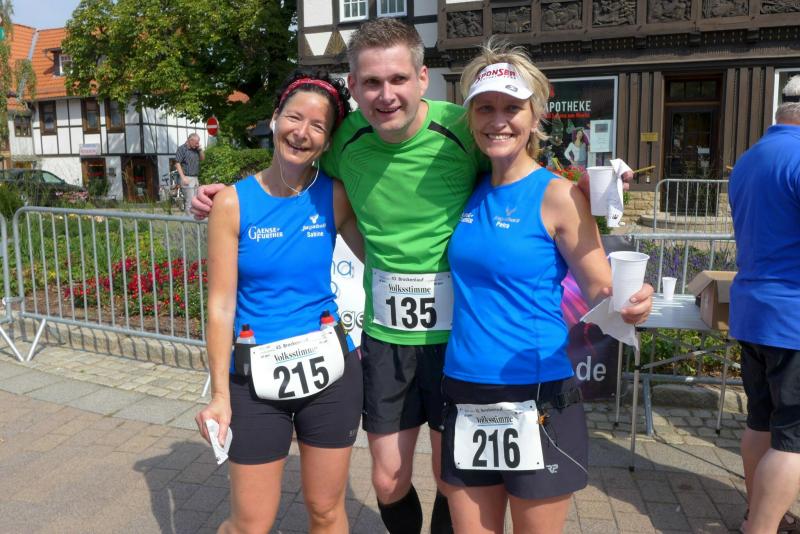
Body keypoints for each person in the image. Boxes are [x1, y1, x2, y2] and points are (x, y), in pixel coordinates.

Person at [190, 19, 647, 534]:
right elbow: (296, 155)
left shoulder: (465, 126)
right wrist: (225, 197)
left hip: (459, 340)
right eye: (371, 82)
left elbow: (518, 163)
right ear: (354, 86)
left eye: (398, 79)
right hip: (388, 338)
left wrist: (586, 185)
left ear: (422, 78)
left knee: (453, 480)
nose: (386, 95)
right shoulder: (344, 138)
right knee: (388, 480)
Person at [438, 41, 652, 533]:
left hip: (536, 391)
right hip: (465, 386)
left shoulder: (558, 195)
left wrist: (631, 303)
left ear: (535, 117)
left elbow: (599, 286)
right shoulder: (470, 188)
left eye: (512, 108)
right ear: (471, 118)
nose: (498, 121)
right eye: (485, 108)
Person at [195, 71, 364, 534]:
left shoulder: (336, 196)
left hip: (330, 372)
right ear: (274, 119)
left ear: (327, 142)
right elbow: (220, 307)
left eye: (317, 126)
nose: (301, 132)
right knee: (250, 524)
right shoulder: (232, 203)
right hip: (254, 377)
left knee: (326, 512)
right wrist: (219, 396)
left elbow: (385, 252)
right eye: (294, 117)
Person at [730, 75, 800, 534]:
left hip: (753, 311)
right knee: (793, 439)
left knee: (760, 422)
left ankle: (755, 516)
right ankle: (763, 527)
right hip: (793, 315)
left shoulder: (749, 159)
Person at [175, 133, 204, 215]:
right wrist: (183, 177)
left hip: (195, 178)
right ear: (190, 140)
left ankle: (194, 220)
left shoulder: (196, 149)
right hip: (187, 177)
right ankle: (189, 220)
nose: (197, 144)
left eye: (198, 142)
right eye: (196, 143)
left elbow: (202, 159)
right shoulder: (182, 149)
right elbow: (177, 163)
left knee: (196, 202)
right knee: (190, 202)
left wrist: (200, 150)